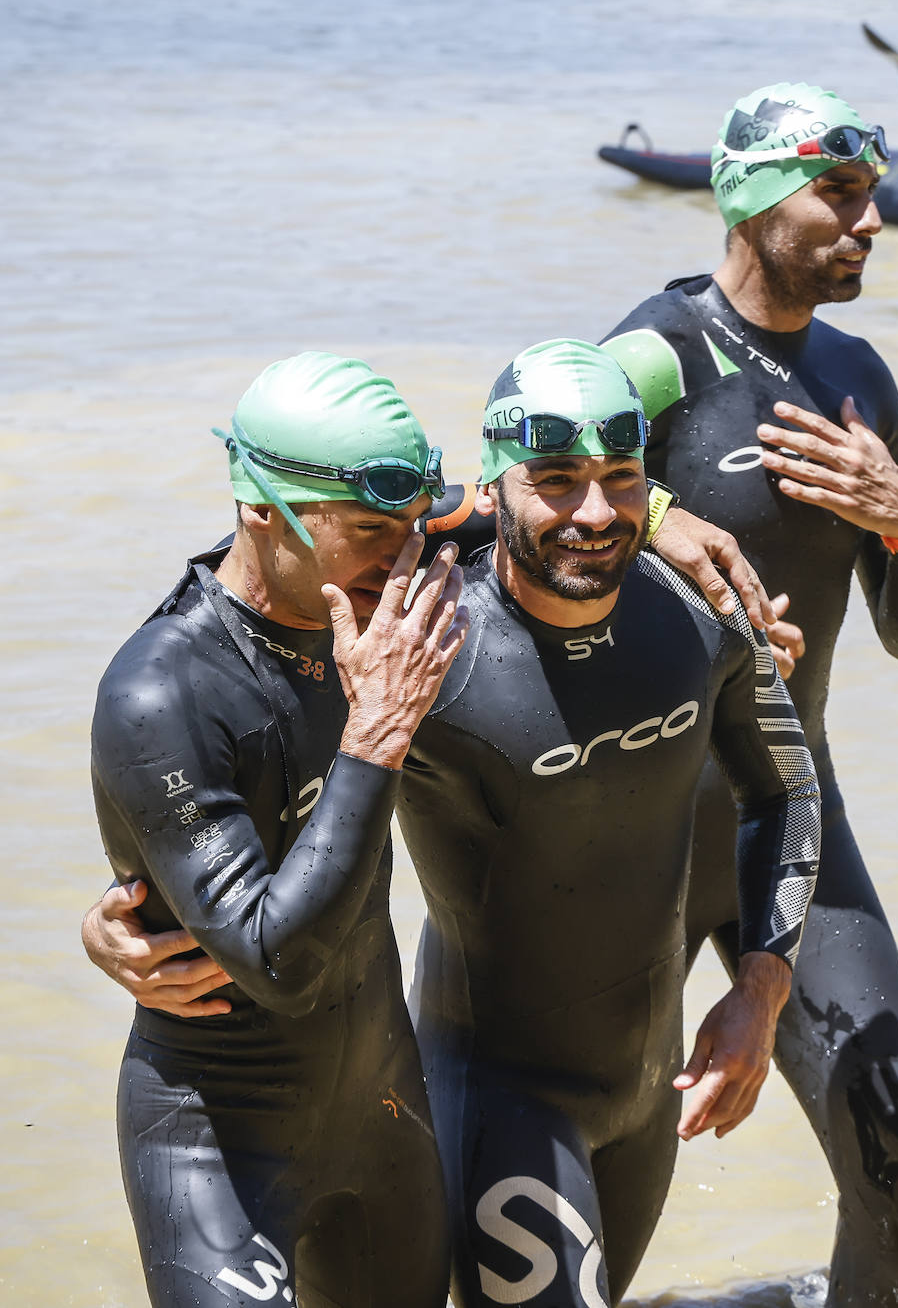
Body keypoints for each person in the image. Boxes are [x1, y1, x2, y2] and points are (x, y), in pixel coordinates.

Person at [602, 82, 898, 1308]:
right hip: (618, 831)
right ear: (754, 202)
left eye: (874, 198)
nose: (872, 223)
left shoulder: (860, 379)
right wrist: (659, 514)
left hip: (787, 815)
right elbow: (510, 476)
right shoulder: (659, 350)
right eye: (843, 196)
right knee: (598, 1195)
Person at [400, 337, 821, 1307]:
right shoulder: (428, 652)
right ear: (496, 487)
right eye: (555, 482)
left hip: (647, 1094)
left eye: (622, 481)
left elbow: (786, 792)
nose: (595, 513)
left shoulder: (700, 614)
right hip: (494, 1095)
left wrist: (759, 989)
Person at [90, 351, 470, 1306]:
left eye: (414, 527)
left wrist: (669, 520)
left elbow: (551, 500)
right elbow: (278, 964)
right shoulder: (160, 693)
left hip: (383, 1110)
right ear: (262, 508)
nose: (404, 559)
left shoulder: (381, 588)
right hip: (218, 1137)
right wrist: (376, 732)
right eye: (371, 533)